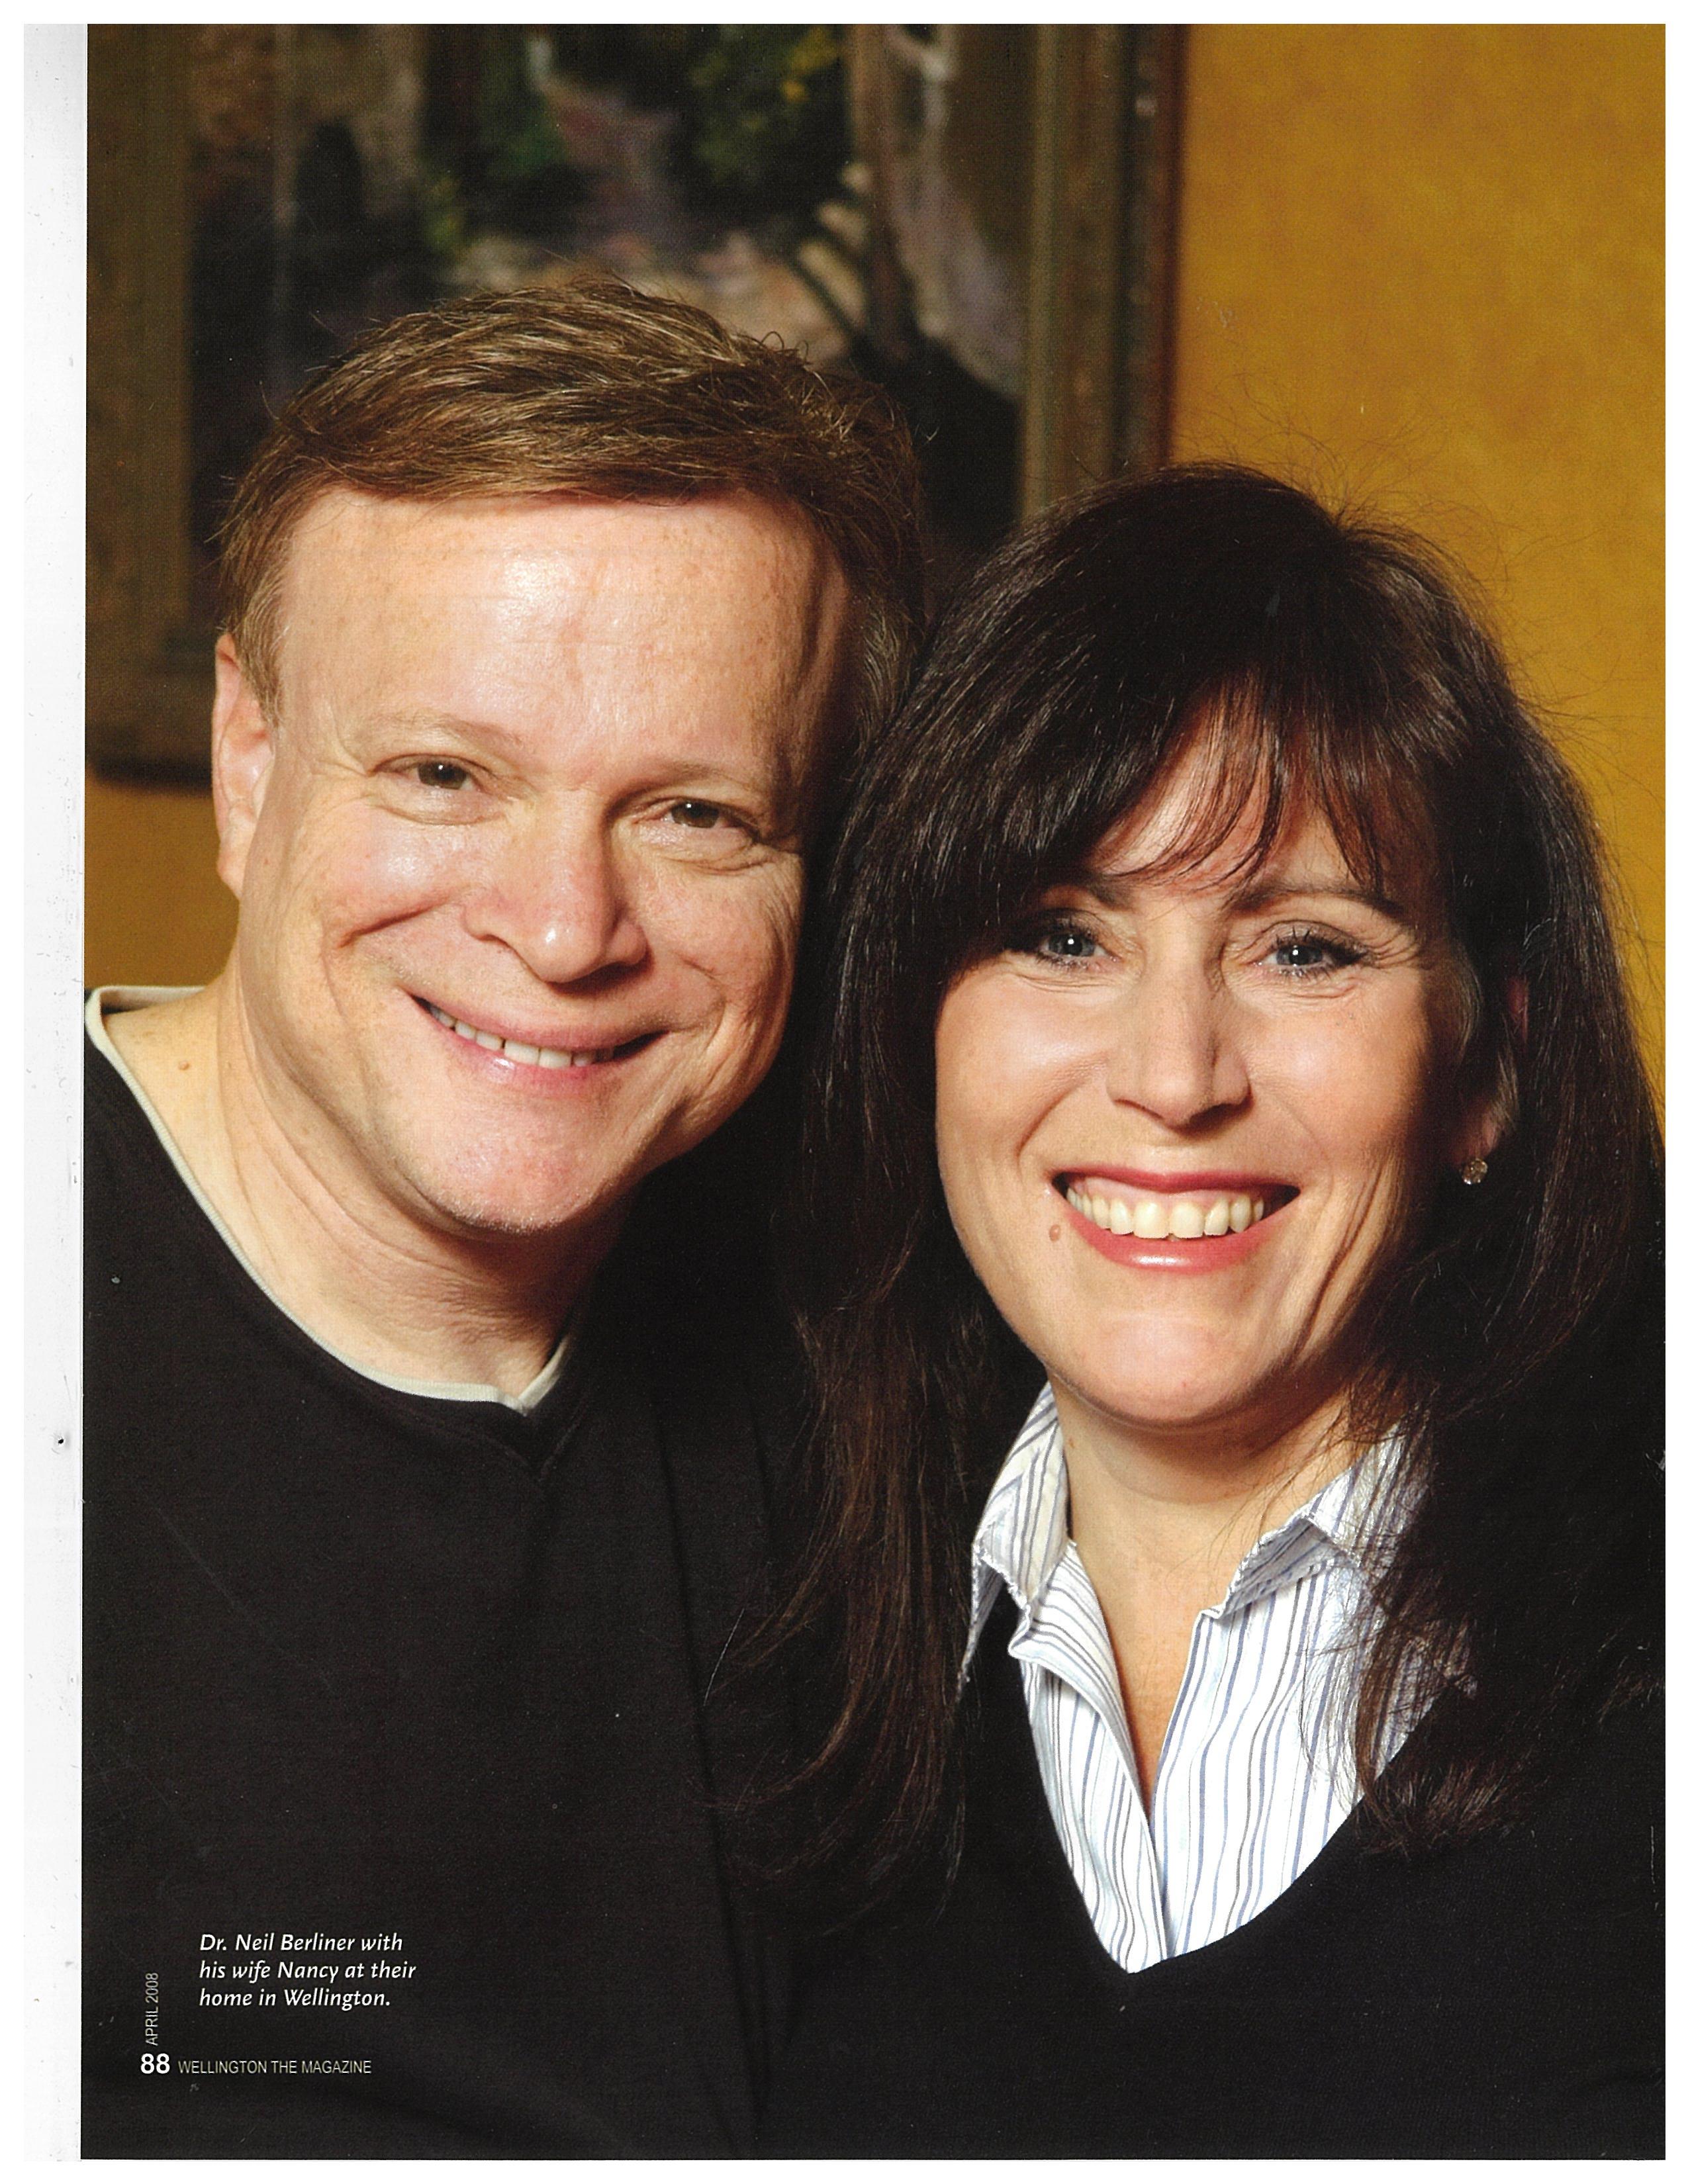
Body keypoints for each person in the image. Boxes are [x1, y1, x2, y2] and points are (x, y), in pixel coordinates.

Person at [83, 280, 922, 2156]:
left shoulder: (882, 1347)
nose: (561, 929)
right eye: (445, 775)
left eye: (695, 814)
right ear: (247, 762)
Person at [758, 466, 1662, 2158]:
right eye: (1060, 936)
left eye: (1304, 949)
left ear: (1488, 1071)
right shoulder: (774, 1659)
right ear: (911, 1030)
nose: (1174, 1078)